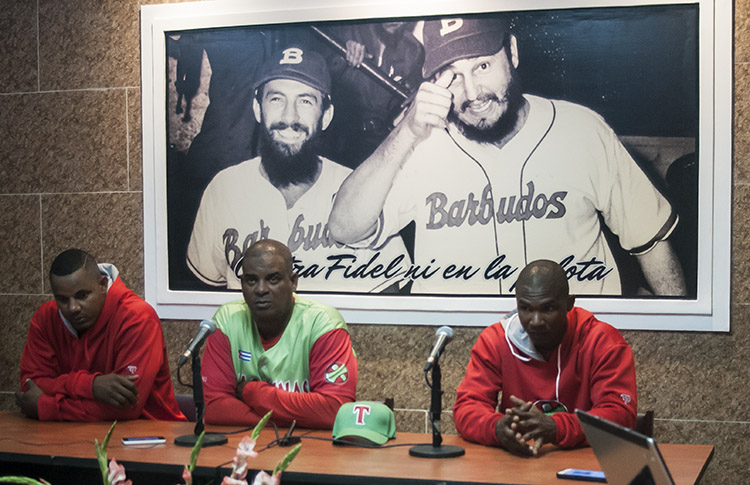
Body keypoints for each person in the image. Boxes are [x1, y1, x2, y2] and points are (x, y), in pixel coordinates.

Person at [328, 15, 686, 296]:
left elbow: (651, 243)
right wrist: (405, 132)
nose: (471, 92)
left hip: (575, 351)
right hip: (466, 356)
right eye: (451, 76)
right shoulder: (420, 146)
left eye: (482, 67)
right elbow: (344, 228)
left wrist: (677, 336)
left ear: (511, 52)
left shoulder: (581, 130)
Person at [186, 45, 410, 293]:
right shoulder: (223, 188)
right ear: (257, 109)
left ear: (325, 116)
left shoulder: (358, 190)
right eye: (276, 99)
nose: (289, 117)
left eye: (305, 101)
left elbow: (393, 288)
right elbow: (206, 292)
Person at [453, 259, 637, 456]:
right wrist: (496, 428)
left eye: (547, 308)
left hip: (585, 463)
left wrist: (556, 427)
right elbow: (467, 407)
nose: (536, 321)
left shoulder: (602, 340)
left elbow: (620, 414)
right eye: (526, 308)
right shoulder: (496, 340)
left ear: (569, 303)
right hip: (519, 462)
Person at [201, 239, 357, 428]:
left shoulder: (323, 323)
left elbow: (334, 410)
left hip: (312, 449)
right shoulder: (227, 320)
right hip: (247, 446)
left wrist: (253, 393)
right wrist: (292, 421)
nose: (261, 289)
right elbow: (215, 408)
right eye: (251, 280)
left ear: (293, 282)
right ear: (242, 284)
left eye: (273, 279)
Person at [16, 249, 186, 422]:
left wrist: (46, 407)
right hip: (72, 436)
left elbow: (125, 409)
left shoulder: (137, 317)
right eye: (63, 299)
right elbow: (30, 387)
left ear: (103, 285)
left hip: (149, 438)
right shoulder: (46, 317)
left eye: (82, 295)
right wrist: (91, 386)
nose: (73, 308)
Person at [322, 21, 425, 166]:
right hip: (335, 135)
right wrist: (342, 56)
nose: (394, 19)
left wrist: (419, 93)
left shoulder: (413, 50)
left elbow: (417, 90)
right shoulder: (347, 30)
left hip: (377, 141)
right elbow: (317, 80)